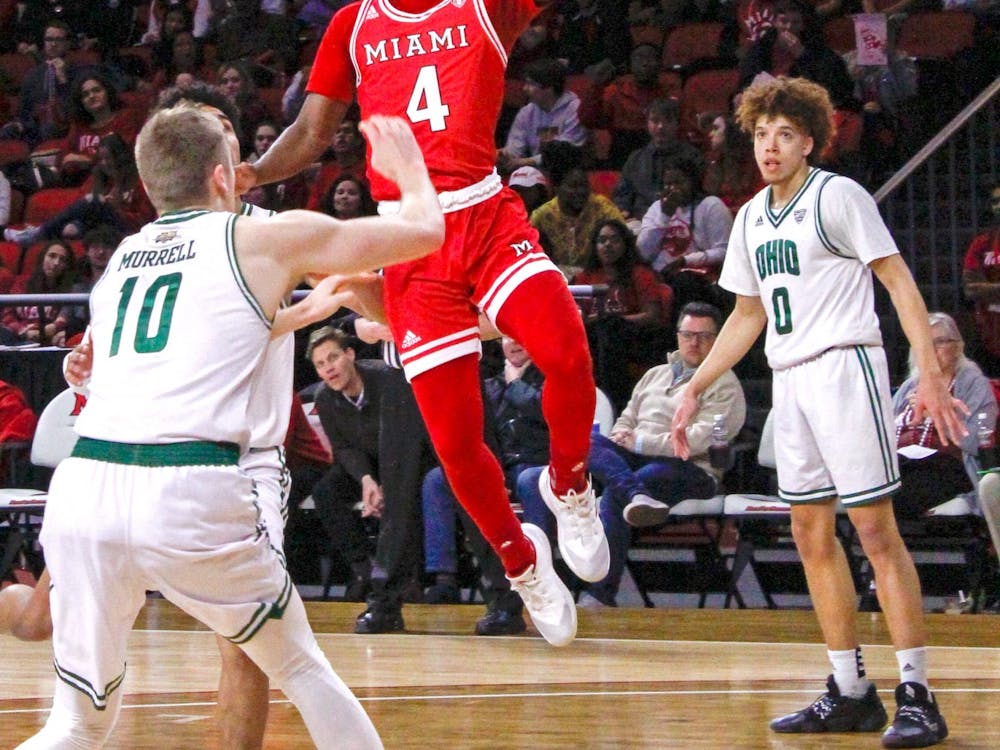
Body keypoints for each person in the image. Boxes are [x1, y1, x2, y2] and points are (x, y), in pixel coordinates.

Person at [13, 104, 444, 749]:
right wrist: (411, 173)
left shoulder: (125, 256)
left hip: (87, 489)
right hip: (188, 483)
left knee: (77, 724)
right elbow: (424, 233)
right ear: (224, 176)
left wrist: (310, 310)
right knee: (299, 666)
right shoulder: (258, 238)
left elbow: (208, 335)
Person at [236, 0, 611, 648]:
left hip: (484, 215)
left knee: (566, 350)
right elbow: (313, 128)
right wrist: (258, 171)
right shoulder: (354, 22)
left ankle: (568, 486)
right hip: (408, 242)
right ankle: (523, 564)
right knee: (457, 445)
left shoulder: (482, 7)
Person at [671, 76, 959, 748]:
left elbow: (897, 279)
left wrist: (927, 373)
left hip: (845, 366)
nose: (770, 147)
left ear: (809, 141)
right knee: (808, 533)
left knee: (875, 531)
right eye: (761, 135)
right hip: (791, 377)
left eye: (784, 135)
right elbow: (747, 315)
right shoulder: (748, 218)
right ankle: (850, 689)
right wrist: (696, 383)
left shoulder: (839, 196)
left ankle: (916, 692)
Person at [519, 301, 745, 607]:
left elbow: (697, 440)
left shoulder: (725, 383)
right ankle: (635, 495)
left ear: (718, 340)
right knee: (585, 441)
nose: (694, 342)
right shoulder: (655, 375)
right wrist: (619, 437)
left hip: (692, 468)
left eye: (704, 336)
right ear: (677, 335)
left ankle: (600, 594)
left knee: (616, 494)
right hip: (635, 461)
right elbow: (627, 418)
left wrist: (638, 443)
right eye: (687, 334)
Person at [892, 312, 997, 520]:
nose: (931, 351)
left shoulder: (973, 384)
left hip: (947, 466)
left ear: (958, 347)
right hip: (901, 463)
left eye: (939, 342)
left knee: (890, 493)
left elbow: (979, 442)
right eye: (924, 344)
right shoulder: (910, 386)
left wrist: (937, 415)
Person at [575, 218, 674, 408]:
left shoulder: (640, 273)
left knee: (610, 328)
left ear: (625, 244)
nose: (608, 245)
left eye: (614, 240)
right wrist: (599, 320)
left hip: (632, 338)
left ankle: (614, 404)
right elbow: (580, 318)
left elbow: (651, 315)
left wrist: (615, 319)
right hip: (594, 338)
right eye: (602, 240)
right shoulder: (584, 277)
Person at [4, 133, 156, 246]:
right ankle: (38, 236)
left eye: (108, 158)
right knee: (69, 230)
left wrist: (113, 208)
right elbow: (81, 205)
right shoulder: (98, 177)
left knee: (95, 200)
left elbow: (144, 219)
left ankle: (38, 233)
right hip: (98, 227)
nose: (104, 163)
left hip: (129, 230)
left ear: (120, 157)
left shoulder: (138, 181)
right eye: (101, 158)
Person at [636, 152, 734, 316]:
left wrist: (685, 261)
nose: (672, 189)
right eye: (667, 184)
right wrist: (665, 215)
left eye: (679, 182)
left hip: (698, 279)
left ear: (693, 182)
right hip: (660, 276)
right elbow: (641, 253)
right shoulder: (656, 209)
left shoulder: (711, 206)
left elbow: (725, 252)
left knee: (683, 283)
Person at [531, 142, 626, 279]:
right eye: (573, 186)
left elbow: (624, 243)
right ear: (557, 187)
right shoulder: (542, 215)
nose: (580, 191)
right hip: (558, 279)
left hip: (596, 277)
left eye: (584, 185)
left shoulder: (603, 208)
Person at [577, 42, 680, 168]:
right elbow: (587, 120)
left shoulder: (669, 91)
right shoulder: (615, 91)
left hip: (661, 151)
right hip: (624, 153)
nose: (645, 63)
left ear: (660, 65)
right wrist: (596, 86)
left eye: (650, 58)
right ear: (630, 65)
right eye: (639, 58)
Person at [612, 98, 704, 229]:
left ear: (677, 123)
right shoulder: (636, 158)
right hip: (641, 221)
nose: (661, 126)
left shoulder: (692, 155)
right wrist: (623, 211)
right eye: (655, 121)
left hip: (682, 219)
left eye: (667, 121)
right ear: (647, 124)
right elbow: (622, 194)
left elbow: (698, 194)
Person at [498, 57, 588, 173]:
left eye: (531, 84)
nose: (525, 89)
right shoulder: (527, 112)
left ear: (549, 87)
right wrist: (502, 156)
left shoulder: (575, 109)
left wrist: (525, 162)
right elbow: (515, 149)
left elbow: (567, 152)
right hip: (535, 173)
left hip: (568, 172)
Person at [58, 71, 145, 187]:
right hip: (81, 182)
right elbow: (64, 158)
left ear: (107, 92)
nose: (91, 96)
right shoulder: (79, 126)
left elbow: (125, 156)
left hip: (114, 182)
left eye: (97, 90)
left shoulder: (125, 117)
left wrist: (87, 161)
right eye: (85, 94)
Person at [52, 224, 122, 345]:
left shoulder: (123, 285)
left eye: (107, 247)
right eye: (95, 247)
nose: (101, 252)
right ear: (87, 251)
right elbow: (63, 318)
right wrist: (56, 330)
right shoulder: (78, 288)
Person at [0, 240, 76, 346]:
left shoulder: (70, 289)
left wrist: (45, 331)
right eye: (52, 256)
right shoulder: (21, 283)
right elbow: (7, 316)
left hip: (50, 339)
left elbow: (63, 319)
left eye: (62, 260)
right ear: (42, 258)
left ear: (67, 266)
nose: (56, 263)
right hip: (18, 338)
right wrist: (24, 331)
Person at [961, 178, 1000, 376]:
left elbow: (978, 287)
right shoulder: (982, 243)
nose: (998, 205)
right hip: (989, 334)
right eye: (995, 201)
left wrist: (987, 288)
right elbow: (970, 289)